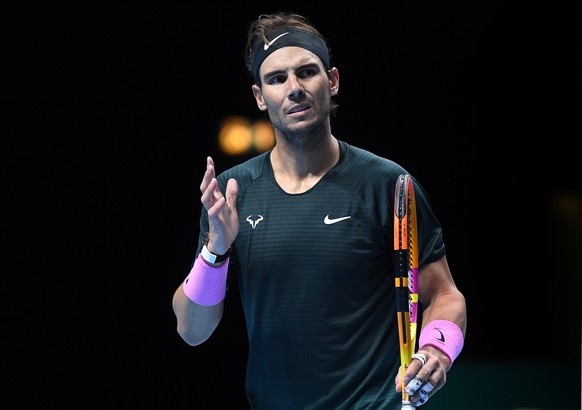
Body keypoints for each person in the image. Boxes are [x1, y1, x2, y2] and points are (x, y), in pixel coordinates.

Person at [172, 11, 467, 409]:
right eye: (277, 79)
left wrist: (437, 350)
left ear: (332, 81)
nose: (294, 88)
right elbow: (192, 330)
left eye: (307, 72)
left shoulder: (388, 184)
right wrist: (215, 249)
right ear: (260, 96)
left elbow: (445, 295)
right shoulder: (232, 193)